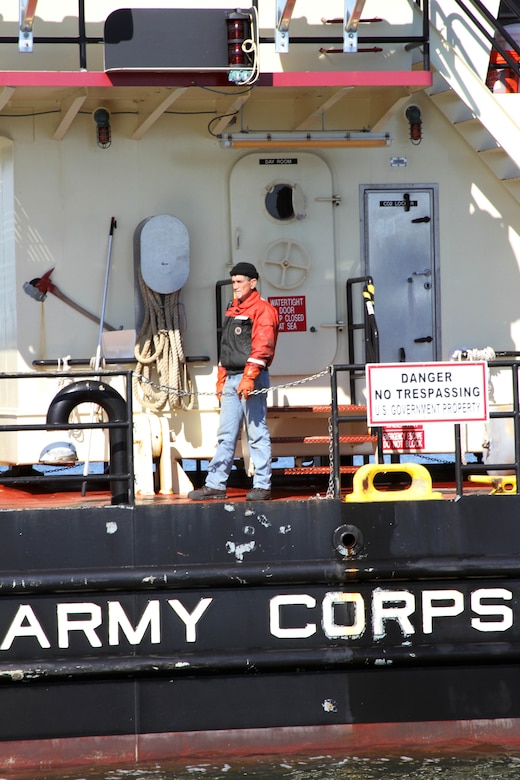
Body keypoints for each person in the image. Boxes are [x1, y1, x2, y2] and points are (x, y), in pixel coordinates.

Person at [188, 262, 279, 501]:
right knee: (226, 434)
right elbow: (226, 348)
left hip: (253, 378)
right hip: (232, 378)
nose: (235, 287)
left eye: (239, 282)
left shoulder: (263, 310)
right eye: (233, 282)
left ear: (253, 282)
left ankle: (262, 485)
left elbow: (263, 348)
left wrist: (249, 378)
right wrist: (221, 379)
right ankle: (216, 485)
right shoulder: (233, 309)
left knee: (256, 432)